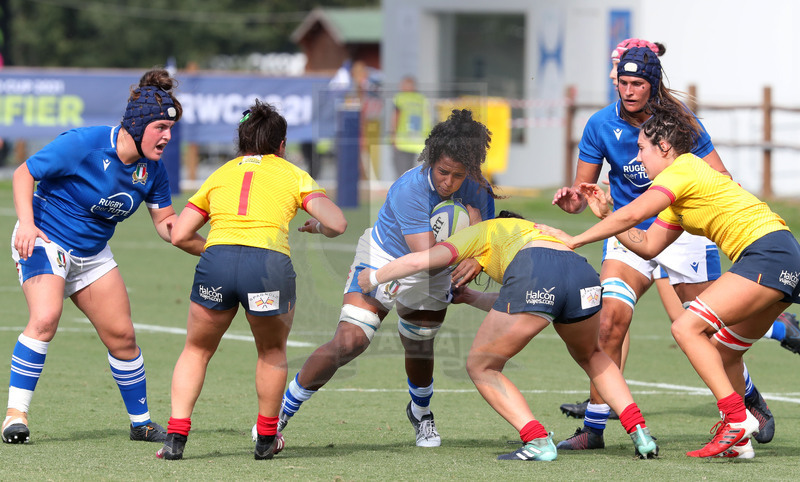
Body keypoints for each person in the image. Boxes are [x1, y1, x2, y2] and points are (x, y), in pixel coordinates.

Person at [539, 98, 800, 458]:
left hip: (767, 253)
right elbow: (648, 245)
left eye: (642, 148)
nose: (638, 157)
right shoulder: (681, 194)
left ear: (664, 147)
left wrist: (574, 240)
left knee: (686, 328)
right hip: (782, 253)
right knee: (725, 351)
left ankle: (736, 419)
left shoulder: (682, 169)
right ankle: (739, 443)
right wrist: (608, 213)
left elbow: (634, 214)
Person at [356, 212, 659, 461]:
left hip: (537, 272)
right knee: (593, 355)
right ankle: (641, 434)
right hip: (582, 273)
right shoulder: (531, 230)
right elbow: (521, 302)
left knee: (481, 365)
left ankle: (537, 440)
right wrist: (471, 297)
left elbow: (420, 260)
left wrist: (373, 277)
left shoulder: (482, 231)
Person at [278, 109, 496, 447]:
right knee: (349, 341)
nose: (449, 182)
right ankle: (279, 413)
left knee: (419, 345)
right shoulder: (411, 189)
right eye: (443, 172)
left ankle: (421, 413)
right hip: (386, 257)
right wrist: (470, 238)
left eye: (458, 175)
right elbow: (426, 258)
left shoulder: (479, 190)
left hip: (433, 268)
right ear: (430, 160)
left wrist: (478, 258)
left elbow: (489, 241)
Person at [155, 100, 347, 460]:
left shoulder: (220, 173)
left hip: (217, 265)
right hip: (267, 268)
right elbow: (337, 223)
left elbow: (178, 234)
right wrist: (318, 228)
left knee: (196, 350)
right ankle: (265, 440)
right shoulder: (292, 174)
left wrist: (219, 249)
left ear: (241, 141)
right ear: (281, 145)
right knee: (271, 352)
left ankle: (175, 439)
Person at [2, 69, 186, 444]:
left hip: (92, 254)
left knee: (123, 337)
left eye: (170, 128)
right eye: (161, 128)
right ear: (137, 125)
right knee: (45, 317)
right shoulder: (84, 143)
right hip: (46, 239)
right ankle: (14, 416)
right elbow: (24, 172)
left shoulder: (153, 171)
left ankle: (140, 423)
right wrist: (27, 224)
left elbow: (167, 224)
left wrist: (211, 241)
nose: (168, 136)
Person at [391, 76, 432, 177]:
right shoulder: (421, 99)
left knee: (402, 174)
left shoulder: (400, 98)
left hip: (402, 141)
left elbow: (395, 117)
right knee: (416, 173)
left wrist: (393, 135)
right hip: (418, 142)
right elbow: (427, 117)